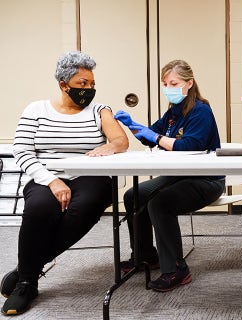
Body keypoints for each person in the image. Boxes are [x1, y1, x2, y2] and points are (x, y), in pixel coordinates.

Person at [0, 51, 129, 316]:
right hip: (46, 177)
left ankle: (27, 270)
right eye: (82, 84)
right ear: (63, 84)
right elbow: (22, 152)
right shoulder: (36, 109)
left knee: (87, 205)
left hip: (90, 177)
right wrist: (52, 181)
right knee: (39, 209)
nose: (89, 89)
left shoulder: (99, 110)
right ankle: (27, 284)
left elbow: (121, 141)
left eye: (92, 84)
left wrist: (109, 146)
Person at [114, 59, 224, 292]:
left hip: (206, 179)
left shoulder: (201, 111)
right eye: (165, 83)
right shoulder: (174, 112)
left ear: (189, 83)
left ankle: (176, 269)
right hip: (178, 175)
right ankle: (146, 256)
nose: (168, 88)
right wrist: (133, 125)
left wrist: (155, 138)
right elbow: (150, 134)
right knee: (134, 195)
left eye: (173, 83)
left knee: (160, 204)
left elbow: (189, 146)